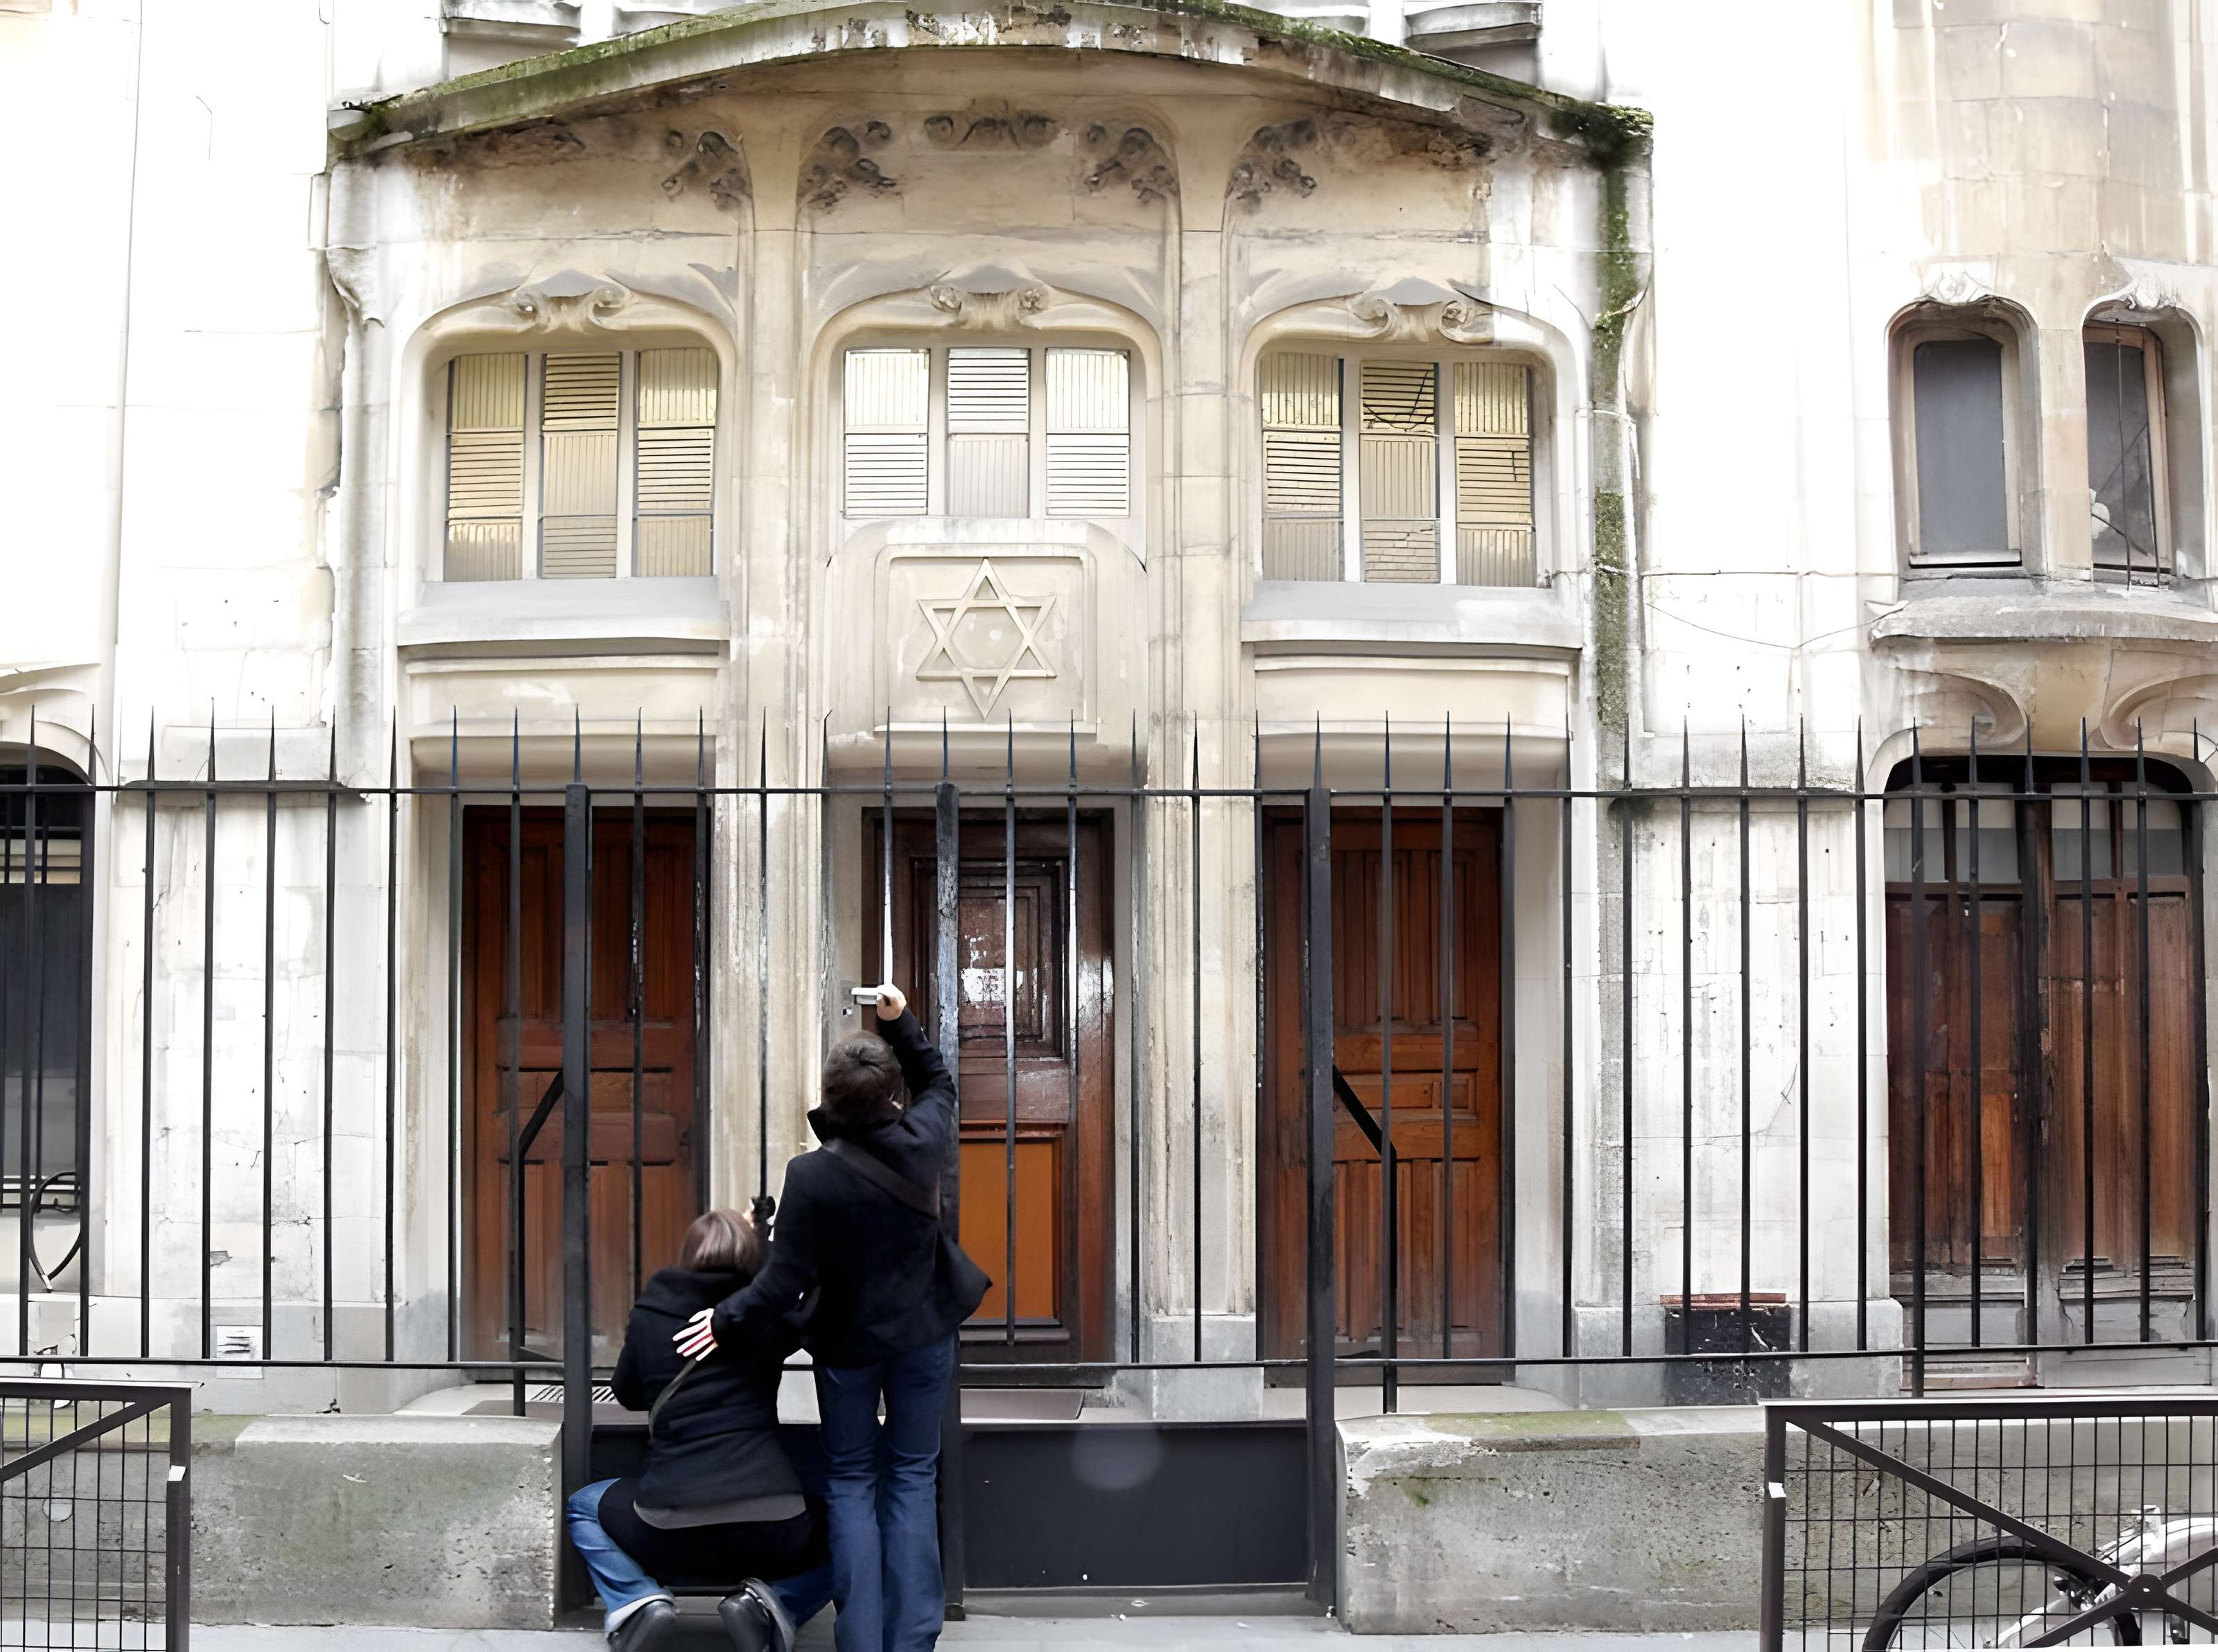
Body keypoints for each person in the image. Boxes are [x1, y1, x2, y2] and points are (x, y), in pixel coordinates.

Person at [674, 982, 989, 1652]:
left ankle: (862, 1641)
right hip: (923, 1335)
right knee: (911, 1473)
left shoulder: (811, 1175)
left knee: (851, 1479)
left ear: (831, 1101)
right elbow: (941, 1079)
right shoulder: (926, 1136)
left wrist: (723, 1319)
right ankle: (913, 1640)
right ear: (892, 1097)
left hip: (847, 1348)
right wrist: (901, 1020)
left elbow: (783, 1281)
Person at [568, 1207, 835, 1652]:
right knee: (855, 1526)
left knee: (582, 1506)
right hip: (773, 1523)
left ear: (687, 1254)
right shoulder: (764, 1314)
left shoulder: (652, 1312)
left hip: (668, 1524)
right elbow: (809, 1302)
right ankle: (771, 1605)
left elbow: (628, 1393)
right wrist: (768, 1244)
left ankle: (640, 1602)